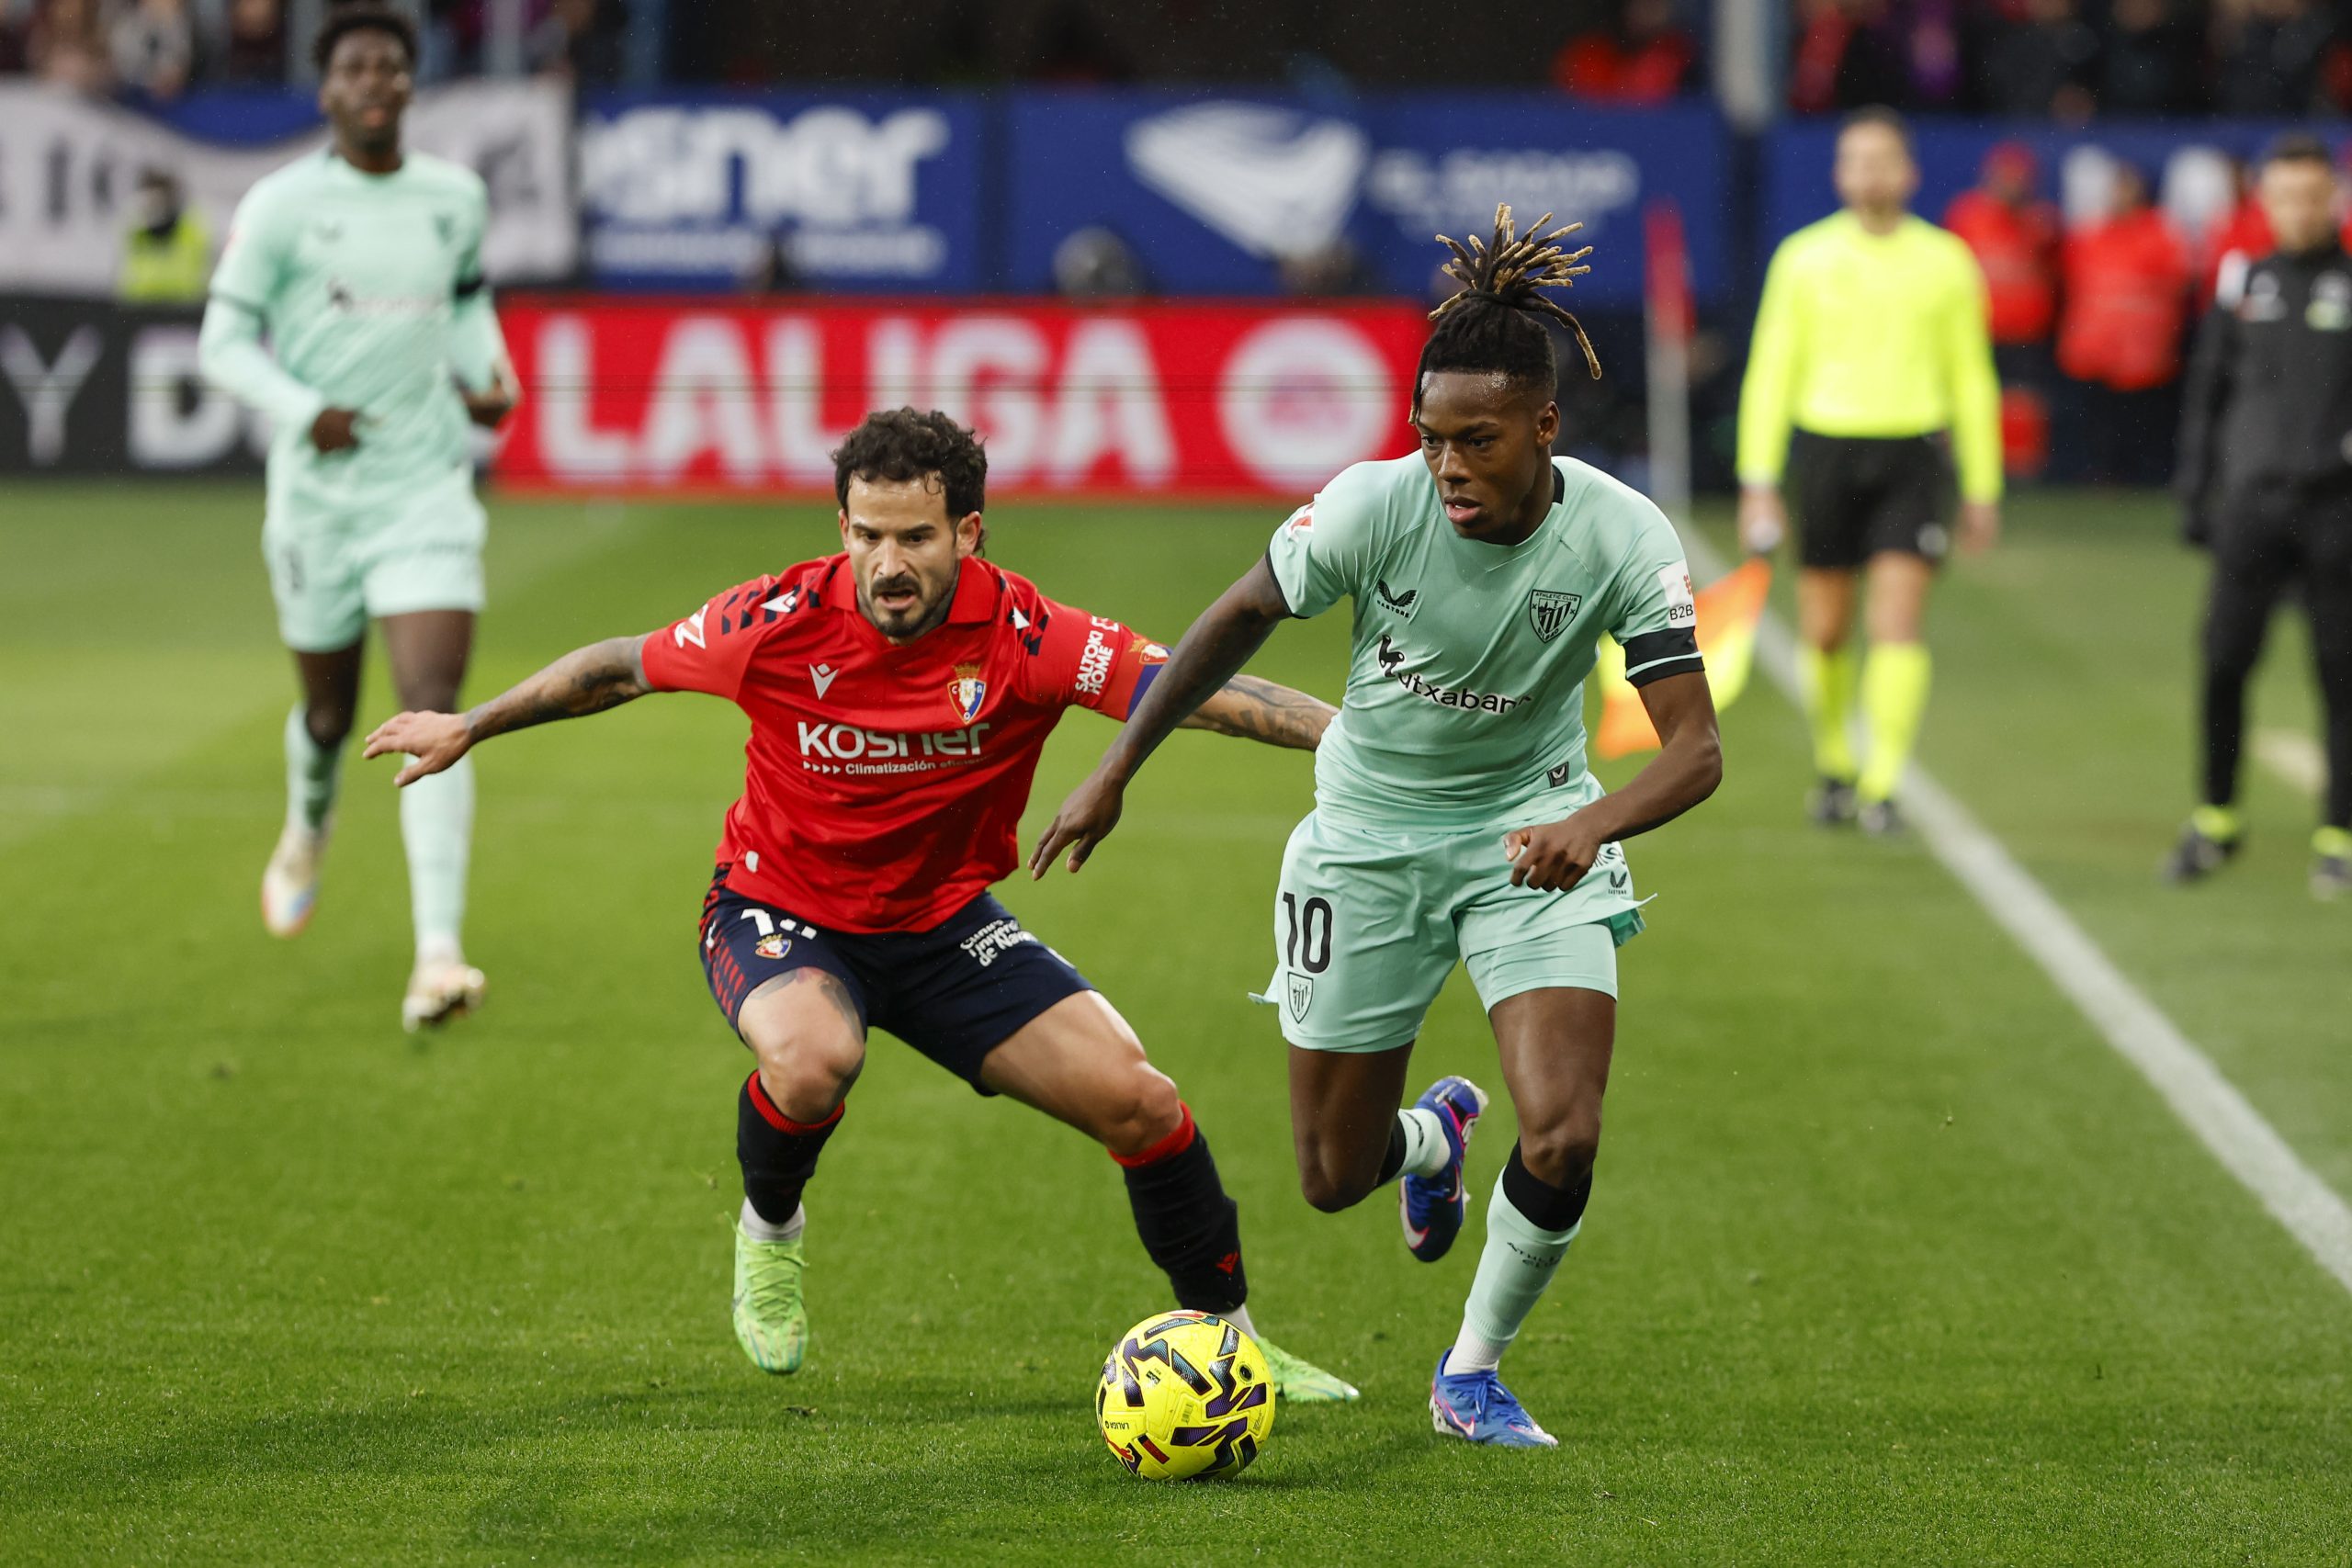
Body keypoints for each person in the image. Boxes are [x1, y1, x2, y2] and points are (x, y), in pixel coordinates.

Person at [362, 408, 1357, 1401]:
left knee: (1140, 1103)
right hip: (776, 908)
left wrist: (1357, 736)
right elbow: (621, 664)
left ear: (968, 534)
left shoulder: (1030, 635)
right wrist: (472, 724)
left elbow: (1198, 686)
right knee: (813, 1060)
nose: (888, 562)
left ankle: (1234, 1341)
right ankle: (770, 1232)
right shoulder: (775, 621)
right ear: (841, 525)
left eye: (915, 538)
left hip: (939, 923)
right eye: (866, 534)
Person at [1034, 207, 1724, 1448]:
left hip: (1534, 835)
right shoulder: (1373, 506)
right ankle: (1430, 1136)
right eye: (1430, 436)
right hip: (1364, 840)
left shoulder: (1623, 535)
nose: (1449, 463)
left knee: (1564, 1128)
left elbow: (1696, 746)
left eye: (1479, 439)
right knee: (1331, 1173)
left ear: (1545, 428)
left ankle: (1471, 1369)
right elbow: (1234, 617)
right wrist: (1118, 761)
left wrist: (1592, 821)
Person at [198, 5, 518, 1030]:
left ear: (410, 86)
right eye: (354, 66)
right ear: (327, 88)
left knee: (435, 702)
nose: (375, 79)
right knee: (330, 716)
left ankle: (439, 955)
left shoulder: (452, 197)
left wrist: (487, 374)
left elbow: (465, 300)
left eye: (391, 64)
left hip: (424, 486)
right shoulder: (284, 203)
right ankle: (308, 823)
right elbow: (222, 342)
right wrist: (305, 411)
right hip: (321, 499)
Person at [1736, 107, 2001, 833]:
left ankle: (1883, 782)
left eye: (1884, 159)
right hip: (1824, 450)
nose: (1871, 173)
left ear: (1909, 172)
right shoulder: (1804, 258)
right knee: (1824, 630)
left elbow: (1971, 379)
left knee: (1897, 621)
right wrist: (1758, 479)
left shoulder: (1946, 260)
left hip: (1912, 454)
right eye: (1857, 160)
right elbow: (1771, 374)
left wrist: (1983, 485)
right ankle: (1835, 763)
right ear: (1839, 173)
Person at [2169, 135, 2352, 899]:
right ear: (2265, 201)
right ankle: (2215, 818)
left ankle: (2339, 834)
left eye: (2312, 196)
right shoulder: (2242, 281)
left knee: (2342, 677)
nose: (2299, 211)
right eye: (2284, 196)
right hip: (2251, 506)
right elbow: (2209, 392)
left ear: (2334, 199)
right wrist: (2195, 489)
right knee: (2222, 662)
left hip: (2337, 511)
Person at [2055, 162, 2190, 488]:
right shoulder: (2092, 234)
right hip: (2096, 348)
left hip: (2142, 353)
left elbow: (2178, 285)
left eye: (2128, 188)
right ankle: (2102, 473)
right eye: (2117, 188)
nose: (2121, 196)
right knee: (2098, 420)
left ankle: (2142, 476)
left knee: (2141, 421)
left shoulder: (2161, 233)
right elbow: (2074, 282)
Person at [119, 168, 213, 304]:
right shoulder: (134, 230)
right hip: (140, 313)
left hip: (186, 315)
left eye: (159, 198)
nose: (154, 205)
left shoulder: (194, 229)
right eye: (149, 199)